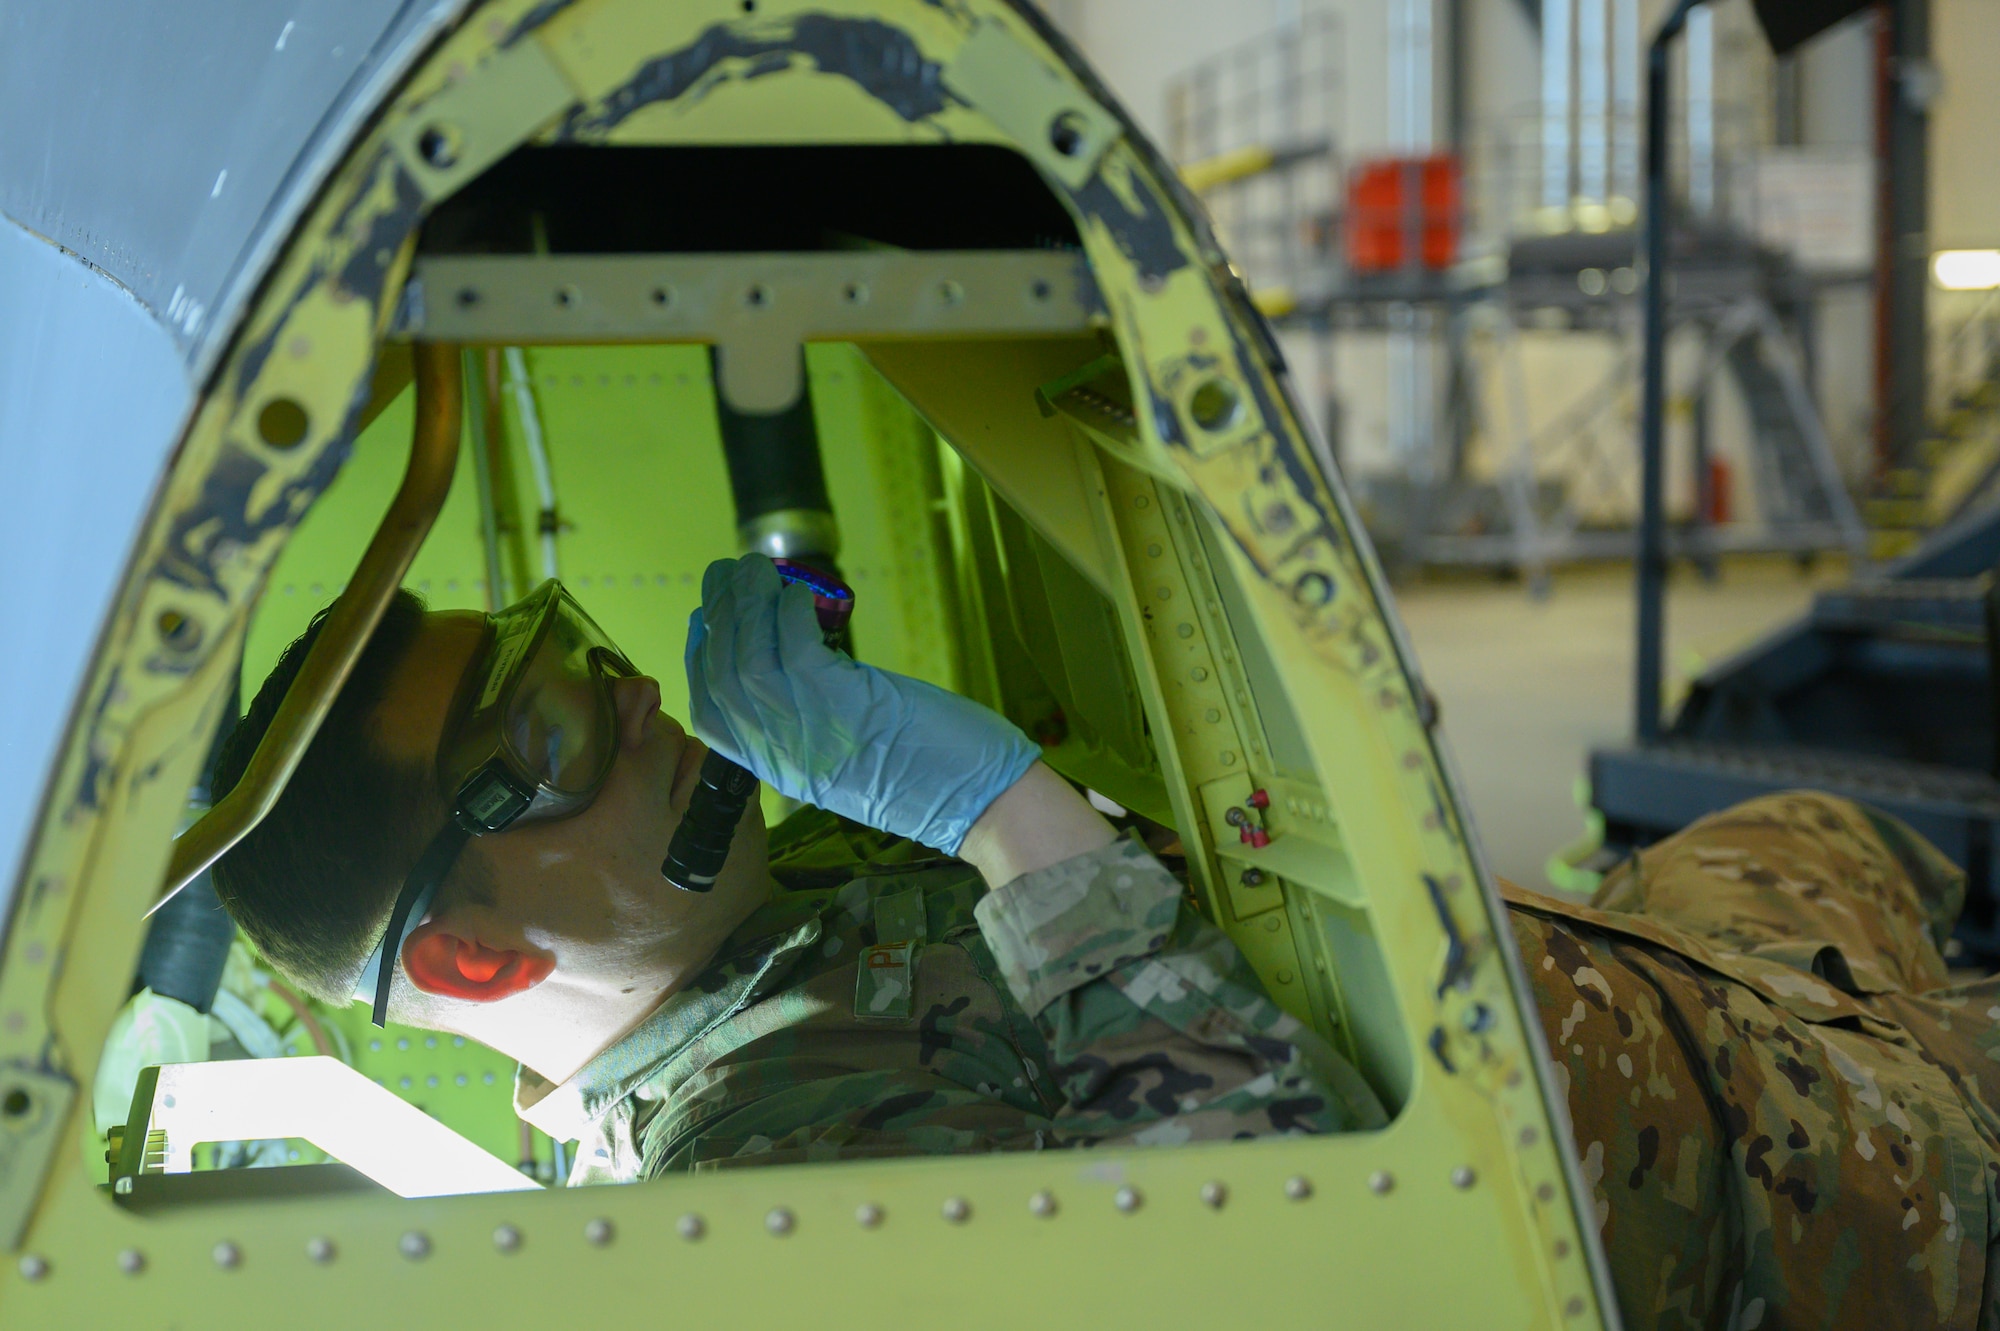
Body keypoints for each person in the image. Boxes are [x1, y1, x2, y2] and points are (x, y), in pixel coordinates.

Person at [211, 555, 2000, 1327]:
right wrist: (1001, 807)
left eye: (561, 646)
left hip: (1698, 1001)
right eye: (540, 735)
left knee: (1815, 826)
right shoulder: (777, 1176)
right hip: (1842, 1212)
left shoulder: (736, 931)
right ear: (470, 968)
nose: (611, 689)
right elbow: (1290, 1256)